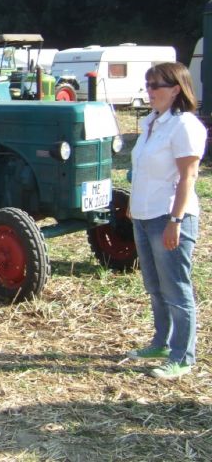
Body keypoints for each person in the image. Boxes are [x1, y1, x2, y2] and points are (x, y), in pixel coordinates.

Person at [126, 62, 207, 379]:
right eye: (147, 85)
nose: (150, 91)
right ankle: (161, 341)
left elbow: (187, 178)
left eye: (155, 85)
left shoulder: (185, 126)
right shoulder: (151, 123)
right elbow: (144, 170)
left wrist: (176, 220)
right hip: (145, 216)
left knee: (176, 288)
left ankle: (182, 356)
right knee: (155, 286)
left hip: (169, 217)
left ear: (176, 89)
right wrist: (134, 205)